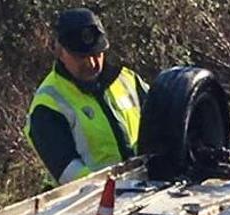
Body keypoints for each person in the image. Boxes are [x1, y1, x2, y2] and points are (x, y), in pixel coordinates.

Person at [25, 8, 149, 184]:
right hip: (89, 204)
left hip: (147, 190)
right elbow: (68, 172)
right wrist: (113, 189)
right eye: (80, 57)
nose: (91, 63)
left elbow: (163, 121)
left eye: (97, 54)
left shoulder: (127, 80)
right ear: (60, 52)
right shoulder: (48, 103)